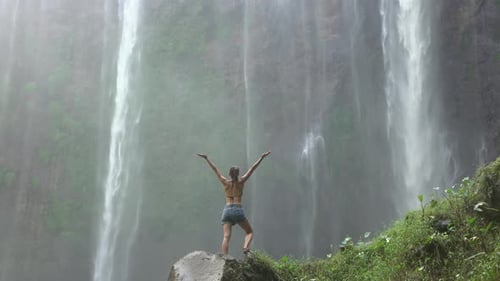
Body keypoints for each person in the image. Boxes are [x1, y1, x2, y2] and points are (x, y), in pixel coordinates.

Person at [196, 151, 271, 256]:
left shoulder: (225, 182)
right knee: (249, 232)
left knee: (226, 236)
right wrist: (262, 157)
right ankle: (245, 248)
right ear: (238, 174)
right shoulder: (241, 181)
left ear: (229, 173)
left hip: (226, 210)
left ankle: (225, 258)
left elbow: (215, 169)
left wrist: (207, 158)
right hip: (237, 209)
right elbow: (253, 168)